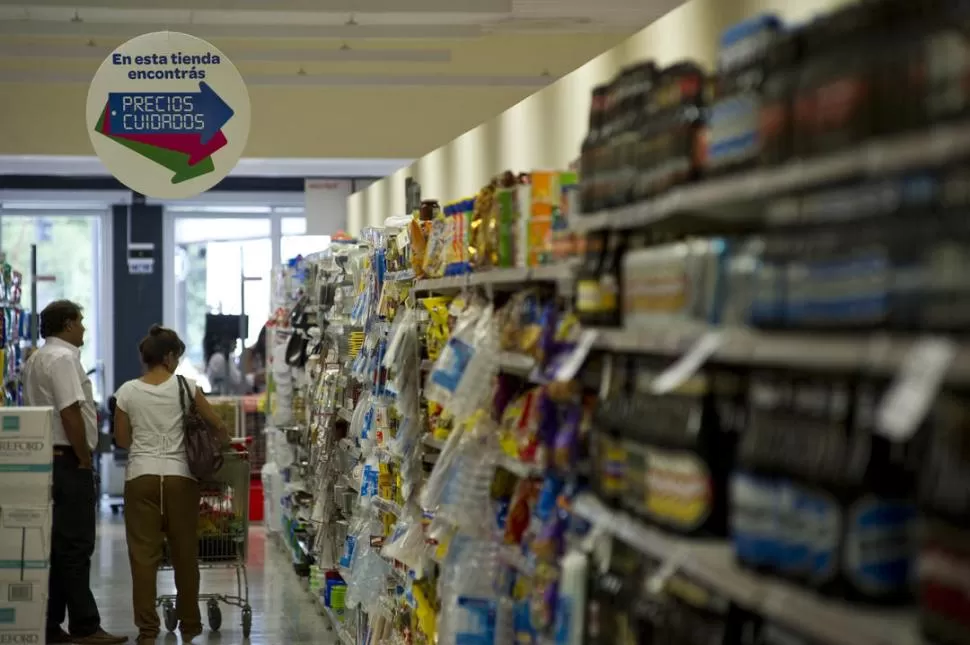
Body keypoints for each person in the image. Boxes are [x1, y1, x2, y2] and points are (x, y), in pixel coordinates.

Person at [112, 325, 232, 644]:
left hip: (141, 478)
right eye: (176, 356)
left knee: (143, 558)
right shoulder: (186, 387)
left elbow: (122, 440)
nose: (177, 362)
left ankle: (148, 631)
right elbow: (217, 425)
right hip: (180, 478)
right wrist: (227, 448)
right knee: (184, 555)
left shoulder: (126, 392)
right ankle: (190, 627)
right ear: (167, 357)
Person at [21, 300, 127, 645]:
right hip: (68, 459)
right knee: (77, 546)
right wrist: (83, 457)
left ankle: (50, 625)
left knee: (55, 546)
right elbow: (69, 412)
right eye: (80, 321)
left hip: (45, 459)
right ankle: (85, 625)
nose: (83, 328)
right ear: (67, 324)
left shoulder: (35, 359)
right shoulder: (64, 359)